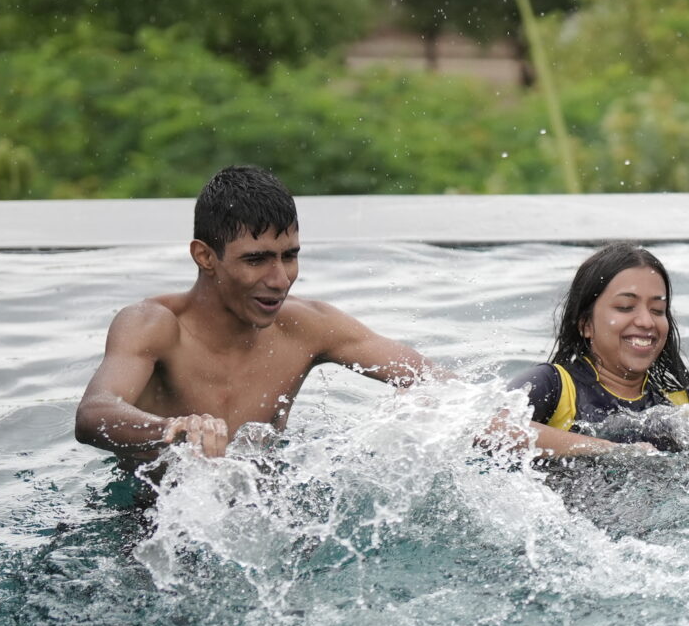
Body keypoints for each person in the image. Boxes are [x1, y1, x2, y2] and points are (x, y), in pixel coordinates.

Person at [74, 166, 441, 468]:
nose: (280, 280)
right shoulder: (154, 325)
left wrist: (478, 416)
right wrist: (172, 430)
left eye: (289, 256)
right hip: (146, 517)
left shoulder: (308, 325)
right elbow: (94, 413)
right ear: (205, 256)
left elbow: (431, 379)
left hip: (266, 512)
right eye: (256, 259)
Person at [516, 244, 689, 459]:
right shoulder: (553, 384)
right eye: (625, 307)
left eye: (657, 310)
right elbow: (493, 427)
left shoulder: (677, 402)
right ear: (585, 325)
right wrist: (613, 451)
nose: (647, 322)